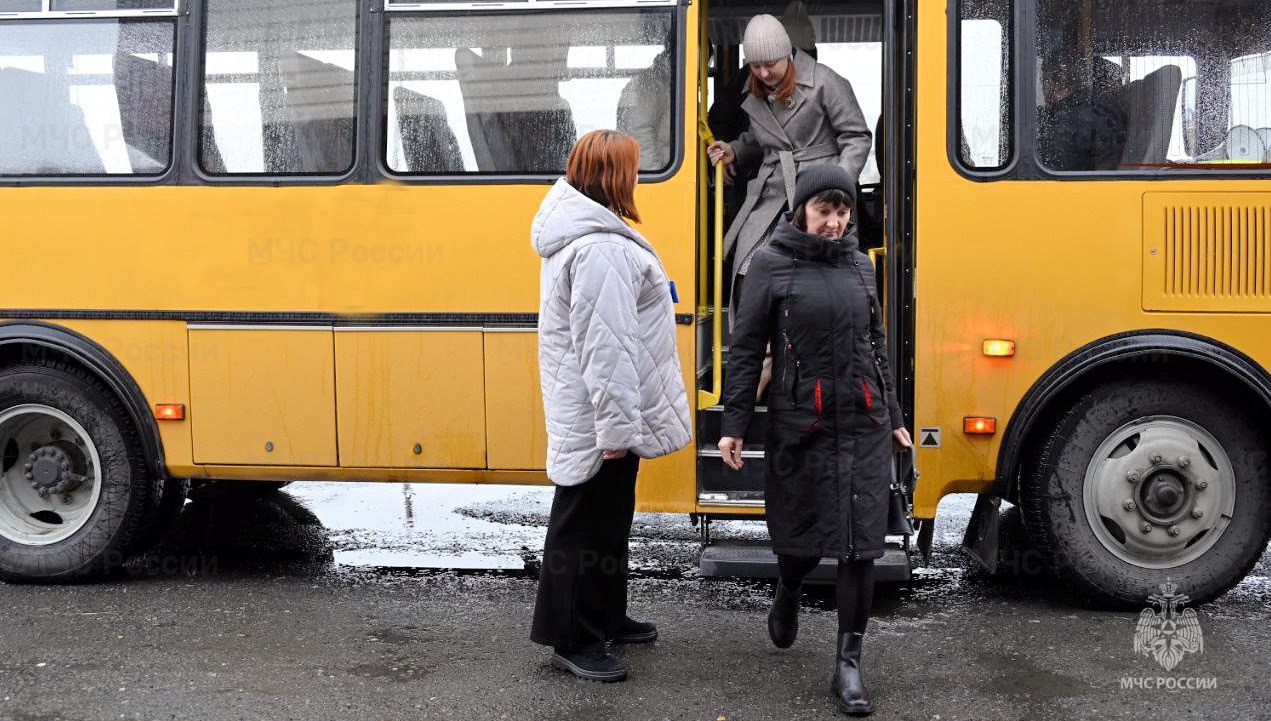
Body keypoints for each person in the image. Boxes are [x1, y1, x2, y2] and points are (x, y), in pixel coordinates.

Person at [717, 165, 913, 716]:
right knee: (800, 538)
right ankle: (789, 587)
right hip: (802, 421)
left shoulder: (859, 265)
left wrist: (894, 414)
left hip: (864, 422)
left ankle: (848, 664)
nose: (835, 222)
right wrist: (734, 423)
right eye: (825, 211)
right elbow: (746, 347)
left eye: (843, 211)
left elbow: (875, 345)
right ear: (801, 210)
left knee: (860, 544)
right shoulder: (770, 263)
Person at [529, 129, 693, 682]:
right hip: (601, 416)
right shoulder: (599, 247)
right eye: (634, 169)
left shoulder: (592, 236)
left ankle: (604, 616)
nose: (639, 177)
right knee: (582, 523)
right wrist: (617, 431)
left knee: (607, 519)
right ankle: (572, 638)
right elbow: (608, 348)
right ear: (615, 177)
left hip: (600, 411)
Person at [707, 13, 872, 317]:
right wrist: (735, 150)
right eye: (755, 66)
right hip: (771, 191)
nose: (763, 73)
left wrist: (836, 185)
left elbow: (856, 136)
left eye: (770, 64)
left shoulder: (826, 82)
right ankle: (760, 338)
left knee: (814, 280)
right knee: (748, 271)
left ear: (788, 54)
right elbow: (763, 136)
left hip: (819, 193)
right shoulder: (753, 88)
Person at [1037, 55, 1128, 170]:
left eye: (1042, 80)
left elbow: (1053, 167)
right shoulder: (1099, 110)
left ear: (1049, 83)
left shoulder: (1071, 122)